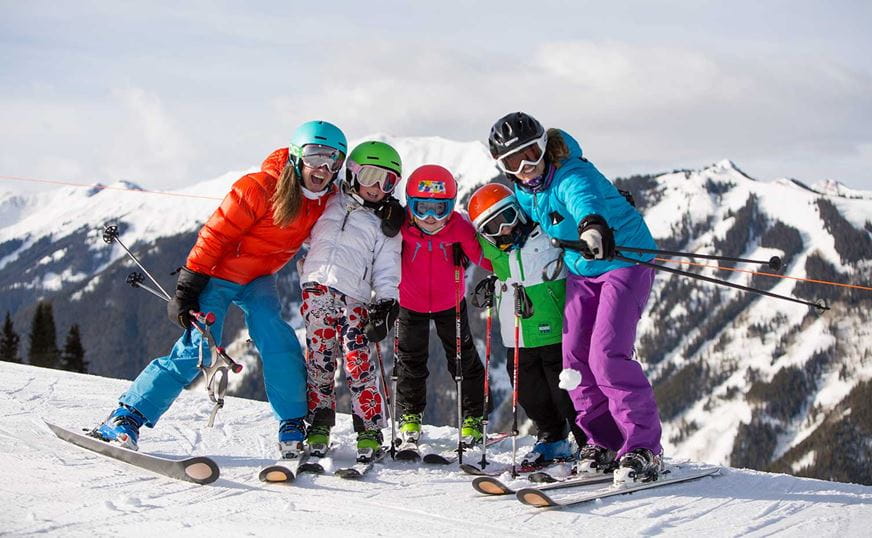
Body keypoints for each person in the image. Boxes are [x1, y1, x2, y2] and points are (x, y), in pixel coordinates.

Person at [92, 120, 347, 460]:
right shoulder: (258, 188)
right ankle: (126, 417)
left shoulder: (326, 199)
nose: (325, 167)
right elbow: (217, 234)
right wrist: (189, 285)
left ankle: (292, 424)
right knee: (199, 349)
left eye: (335, 159)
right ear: (298, 156)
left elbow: (353, 219)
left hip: (258, 279)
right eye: (317, 155)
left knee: (275, 336)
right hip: (218, 275)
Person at [487, 111, 662, 485]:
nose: (526, 167)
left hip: (623, 261)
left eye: (531, 154)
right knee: (574, 359)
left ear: (544, 148)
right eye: (513, 162)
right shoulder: (524, 189)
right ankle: (603, 442)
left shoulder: (570, 172)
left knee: (607, 354)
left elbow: (582, 199)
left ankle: (642, 446)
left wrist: (593, 224)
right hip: (582, 270)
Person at [467, 182, 587, 467]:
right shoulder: (494, 250)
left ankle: (590, 442)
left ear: (519, 211)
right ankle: (552, 438)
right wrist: (492, 282)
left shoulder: (547, 234)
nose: (503, 230)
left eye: (507, 218)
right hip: (517, 337)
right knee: (530, 392)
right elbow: (454, 230)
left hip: (557, 331)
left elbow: (576, 212)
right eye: (491, 228)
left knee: (567, 394)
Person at [298, 140, 404, 462]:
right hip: (316, 290)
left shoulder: (386, 225)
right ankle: (318, 425)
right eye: (370, 175)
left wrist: (386, 302)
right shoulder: (328, 200)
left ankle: (370, 430)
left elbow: (387, 268)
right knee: (319, 361)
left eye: (386, 181)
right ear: (353, 173)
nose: (375, 187)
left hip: (355, 298)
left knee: (358, 364)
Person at [395, 164, 493, 449]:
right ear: (409, 205)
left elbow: (484, 259)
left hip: (450, 304)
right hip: (410, 303)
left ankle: (473, 417)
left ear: (451, 206)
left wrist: (505, 264)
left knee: (462, 360)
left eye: (439, 209)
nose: (429, 218)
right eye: (421, 207)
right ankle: (410, 415)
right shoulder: (401, 226)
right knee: (411, 360)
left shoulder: (459, 228)